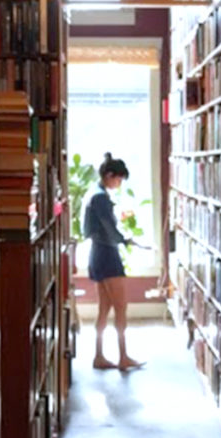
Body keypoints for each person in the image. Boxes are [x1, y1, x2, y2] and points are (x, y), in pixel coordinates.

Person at [83, 152, 145, 371]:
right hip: (107, 254)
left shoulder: (93, 193)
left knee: (104, 308)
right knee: (120, 307)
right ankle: (123, 356)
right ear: (109, 176)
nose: (119, 184)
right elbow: (110, 228)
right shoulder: (100, 198)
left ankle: (99, 355)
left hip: (97, 253)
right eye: (118, 180)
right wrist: (126, 240)